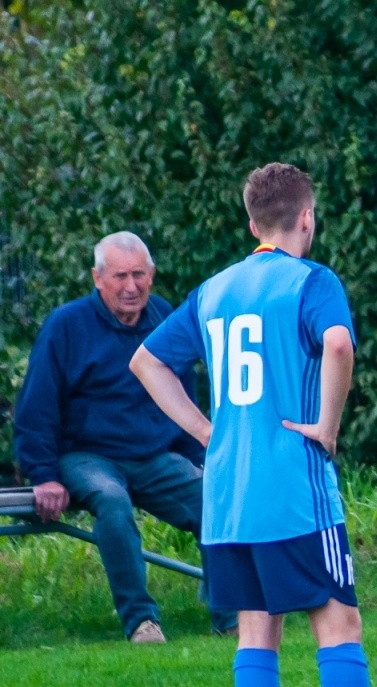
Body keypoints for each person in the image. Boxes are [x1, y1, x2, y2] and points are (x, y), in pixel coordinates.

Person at [129, 162, 377, 687]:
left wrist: (208, 433)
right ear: (307, 217)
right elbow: (338, 347)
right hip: (293, 484)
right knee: (339, 621)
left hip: (227, 496)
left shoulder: (214, 290)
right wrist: (326, 427)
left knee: (256, 632)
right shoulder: (312, 281)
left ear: (252, 223)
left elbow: (146, 360)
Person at [12, 232, 233, 642]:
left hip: (153, 456)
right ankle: (141, 622)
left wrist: (199, 456)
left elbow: (182, 396)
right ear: (98, 279)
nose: (130, 287)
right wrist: (43, 474)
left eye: (138, 275)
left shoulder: (164, 318)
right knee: (112, 501)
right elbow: (35, 408)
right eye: (120, 277)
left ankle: (231, 617)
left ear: (151, 275)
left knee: (215, 496)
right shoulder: (66, 326)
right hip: (85, 456)